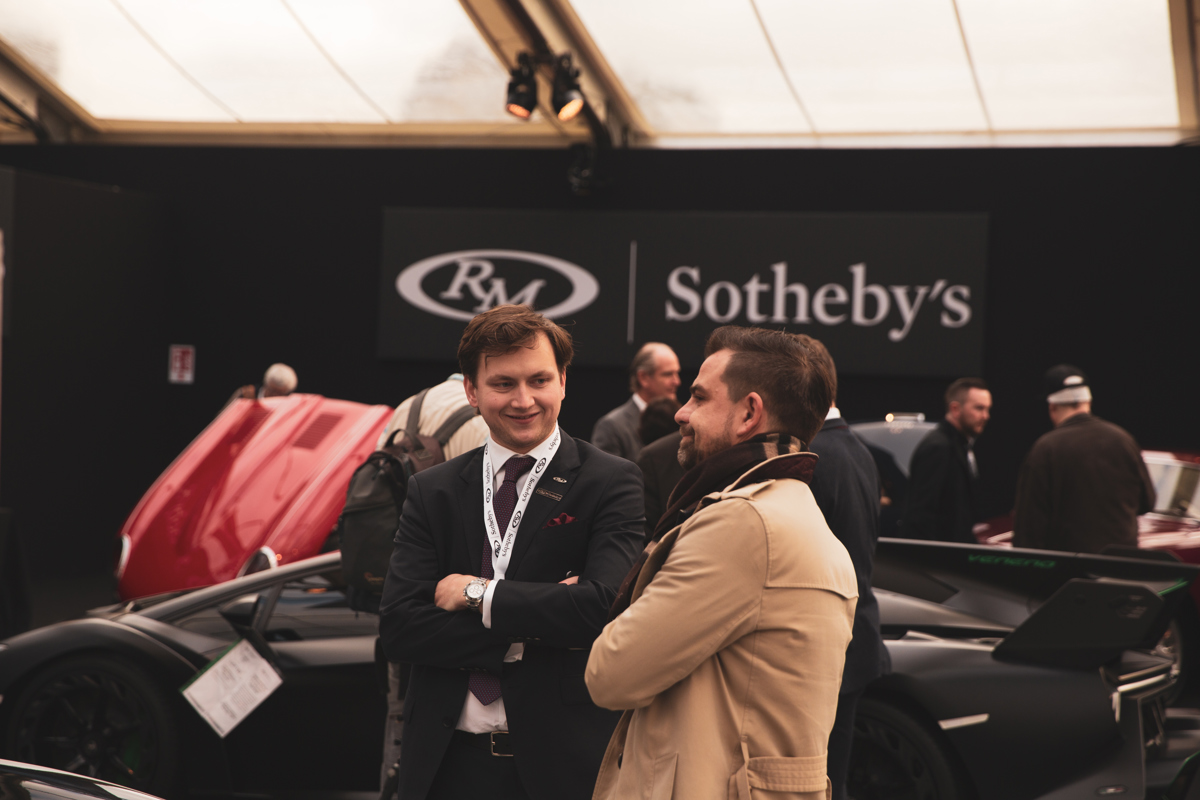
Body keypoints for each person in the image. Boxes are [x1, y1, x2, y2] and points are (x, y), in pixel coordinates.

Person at [378, 304, 644, 800]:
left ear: (563, 381)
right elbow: (399, 628)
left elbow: (601, 608)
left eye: (539, 380)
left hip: (561, 768)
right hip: (446, 765)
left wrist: (478, 594)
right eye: (503, 384)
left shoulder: (611, 481)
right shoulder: (431, 490)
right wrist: (537, 625)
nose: (524, 400)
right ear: (472, 391)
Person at [586, 325, 858, 800]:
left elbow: (610, 676)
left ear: (749, 412)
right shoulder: (795, 514)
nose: (681, 412)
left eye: (698, 397)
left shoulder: (744, 524)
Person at [374, 375, 489, 794]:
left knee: (402, 722)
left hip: (399, 593)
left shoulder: (407, 407)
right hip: (456, 608)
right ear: (475, 385)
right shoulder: (482, 425)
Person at [797, 335, 889, 800]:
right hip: (850, 646)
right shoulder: (854, 450)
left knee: (822, 785)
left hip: (831, 653)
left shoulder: (818, 457)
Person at [1012, 365, 1155, 553]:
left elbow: (1028, 527)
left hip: (1069, 573)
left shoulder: (1046, 449)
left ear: (1052, 406)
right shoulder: (1124, 440)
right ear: (1088, 402)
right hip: (1120, 569)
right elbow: (1147, 503)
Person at [901, 377, 992, 543]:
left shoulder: (959, 446)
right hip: (937, 561)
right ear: (955, 409)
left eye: (988, 409)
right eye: (979, 408)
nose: (986, 416)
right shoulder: (938, 448)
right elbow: (920, 515)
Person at [590, 342, 681, 460]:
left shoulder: (681, 419)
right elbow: (605, 476)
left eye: (677, 373)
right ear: (643, 378)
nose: (677, 382)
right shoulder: (611, 427)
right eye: (668, 374)